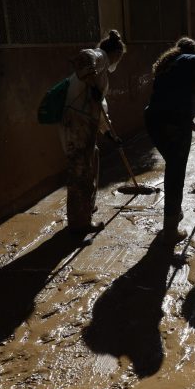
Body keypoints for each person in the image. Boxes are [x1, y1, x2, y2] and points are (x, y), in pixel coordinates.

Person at [145, 37, 195, 243]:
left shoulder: (168, 69)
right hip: (170, 125)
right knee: (175, 174)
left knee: (173, 166)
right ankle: (170, 228)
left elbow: (171, 107)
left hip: (155, 122)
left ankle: (174, 215)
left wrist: (191, 125)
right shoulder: (184, 63)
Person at [60, 30, 126, 235]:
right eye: (120, 56)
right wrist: (90, 81)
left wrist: (109, 134)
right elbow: (83, 57)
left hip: (84, 124)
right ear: (115, 53)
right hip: (77, 124)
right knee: (80, 172)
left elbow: (100, 108)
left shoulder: (102, 69)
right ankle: (79, 224)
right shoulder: (99, 57)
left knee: (91, 162)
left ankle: (85, 209)